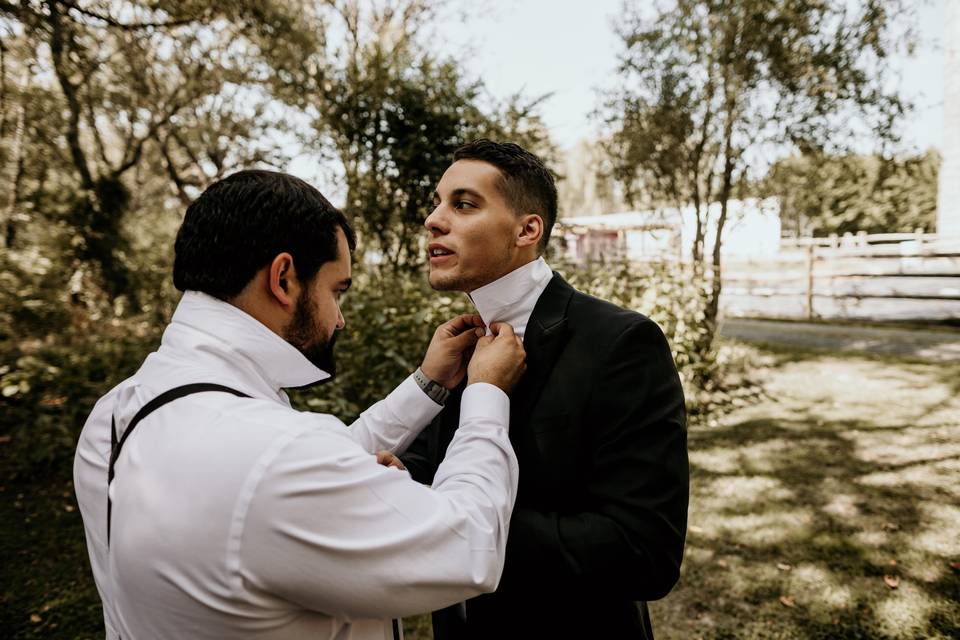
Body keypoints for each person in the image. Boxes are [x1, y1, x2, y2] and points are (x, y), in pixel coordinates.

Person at [73, 170, 527, 640]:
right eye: (337, 291)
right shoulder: (275, 457)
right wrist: (485, 394)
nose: (341, 319)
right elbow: (470, 547)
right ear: (284, 278)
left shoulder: (115, 414)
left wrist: (427, 384)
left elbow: (284, 477)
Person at [402, 140, 690, 639]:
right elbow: (440, 462)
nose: (433, 219)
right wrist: (402, 475)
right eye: (437, 202)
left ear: (527, 229)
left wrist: (461, 523)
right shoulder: (461, 342)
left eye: (463, 204)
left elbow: (645, 551)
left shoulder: (620, 342)